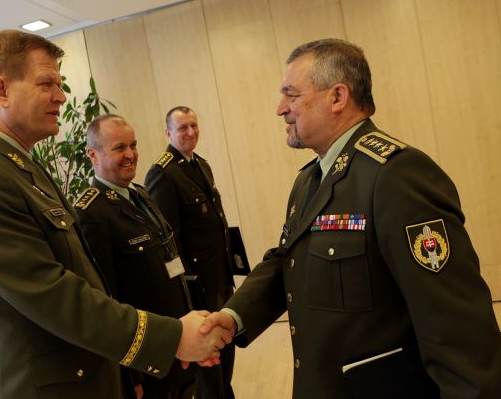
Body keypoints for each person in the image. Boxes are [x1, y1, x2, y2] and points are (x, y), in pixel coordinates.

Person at [0, 30, 230, 399]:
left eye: (59, 85)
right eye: (47, 84)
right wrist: (170, 338)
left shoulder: (19, 166)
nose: (61, 96)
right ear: (2, 90)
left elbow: (84, 276)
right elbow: (54, 295)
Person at [201, 38, 501, 398]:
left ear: (337, 97)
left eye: (291, 95)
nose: (281, 109)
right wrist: (232, 317)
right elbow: (287, 262)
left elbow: (454, 324)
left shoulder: (396, 176)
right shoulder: (309, 179)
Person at [75, 114, 198, 399]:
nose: (130, 154)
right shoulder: (91, 214)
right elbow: (107, 300)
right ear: (93, 154)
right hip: (147, 361)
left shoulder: (140, 195)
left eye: (133, 145)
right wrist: (130, 375)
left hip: (176, 344)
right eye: (119, 147)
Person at [145, 107, 235, 399]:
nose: (190, 132)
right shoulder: (163, 173)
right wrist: (186, 293)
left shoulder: (200, 165)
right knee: (209, 368)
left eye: (194, 125)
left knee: (226, 356)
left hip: (219, 279)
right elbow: (168, 242)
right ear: (168, 132)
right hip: (198, 288)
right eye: (182, 127)